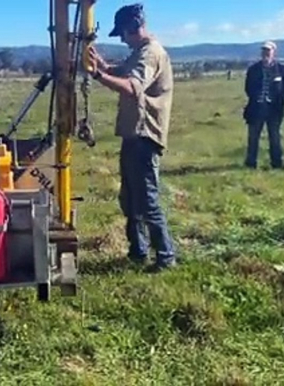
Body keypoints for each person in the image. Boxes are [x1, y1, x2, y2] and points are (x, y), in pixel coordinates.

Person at [86, 3, 178, 272]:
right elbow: (123, 72)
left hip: (144, 136)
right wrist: (102, 64)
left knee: (147, 201)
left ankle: (165, 257)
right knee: (130, 199)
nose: (123, 40)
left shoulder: (150, 54)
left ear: (132, 28)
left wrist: (97, 74)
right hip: (133, 134)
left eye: (123, 34)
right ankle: (138, 251)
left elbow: (132, 87)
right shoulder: (139, 52)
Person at [242, 40, 284, 169]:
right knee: (253, 138)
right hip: (256, 108)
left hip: (274, 110)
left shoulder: (281, 69)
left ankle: (277, 163)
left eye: (268, 50)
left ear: (274, 52)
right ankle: (251, 163)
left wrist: (276, 100)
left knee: (274, 137)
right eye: (264, 50)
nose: (266, 53)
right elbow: (248, 88)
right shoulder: (253, 69)